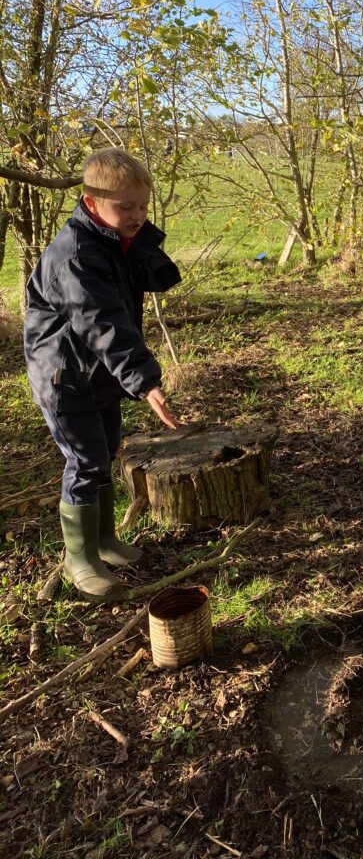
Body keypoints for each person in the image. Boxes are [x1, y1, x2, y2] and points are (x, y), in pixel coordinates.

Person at [24, 149, 182, 603]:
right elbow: (103, 320)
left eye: (142, 206)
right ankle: (79, 559)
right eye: (125, 207)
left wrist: (139, 240)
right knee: (86, 461)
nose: (136, 215)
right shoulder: (75, 254)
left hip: (98, 374)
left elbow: (139, 289)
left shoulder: (112, 241)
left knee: (107, 453)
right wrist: (145, 380)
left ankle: (104, 543)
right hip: (63, 378)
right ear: (91, 203)